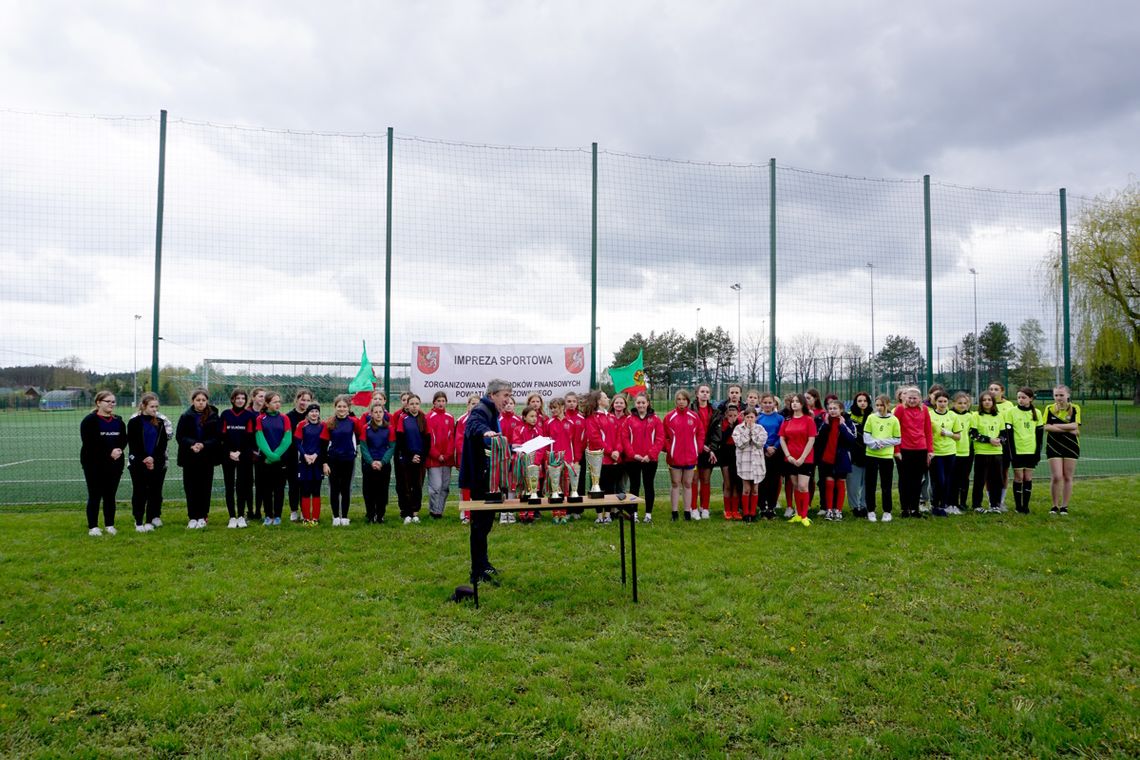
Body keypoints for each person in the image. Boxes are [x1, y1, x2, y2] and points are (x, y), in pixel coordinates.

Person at [459, 379, 513, 586]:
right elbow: (473, 426)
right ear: (493, 395)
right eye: (505, 395)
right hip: (480, 478)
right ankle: (477, 570)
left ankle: (484, 563)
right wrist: (485, 432)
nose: (508, 400)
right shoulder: (481, 409)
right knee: (480, 525)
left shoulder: (493, 411)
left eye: (509, 395)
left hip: (490, 477)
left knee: (486, 524)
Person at [80, 390, 126, 536]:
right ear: (98, 403)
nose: (111, 404)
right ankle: (93, 527)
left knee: (110, 495)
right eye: (108, 401)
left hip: (114, 464)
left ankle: (109, 525)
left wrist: (118, 449)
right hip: (94, 464)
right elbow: (90, 443)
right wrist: (108, 452)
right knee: (95, 495)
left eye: (113, 402)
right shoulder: (89, 420)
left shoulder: (118, 420)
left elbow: (123, 439)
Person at [176, 388, 220, 530]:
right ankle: (192, 517)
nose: (201, 403)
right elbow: (180, 436)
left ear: (207, 401)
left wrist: (203, 445)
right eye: (198, 400)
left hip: (206, 457)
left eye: (203, 400)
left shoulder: (213, 416)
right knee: (191, 488)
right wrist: (192, 444)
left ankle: (202, 516)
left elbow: (216, 437)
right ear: (193, 401)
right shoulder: (185, 416)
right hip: (190, 458)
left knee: (204, 488)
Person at [127, 392, 168, 532]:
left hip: (155, 463)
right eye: (152, 406)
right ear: (143, 406)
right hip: (139, 463)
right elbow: (133, 444)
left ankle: (150, 521)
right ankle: (138, 522)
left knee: (154, 492)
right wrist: (144, 458)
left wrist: (153, 459)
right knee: (139, 492)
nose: (155, 409)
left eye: (156, 406)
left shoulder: (161, 423)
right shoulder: (134, 422)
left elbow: (162, 445)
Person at [622, 392, 663, 523]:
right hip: (633, 460)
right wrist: (634, 455)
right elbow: (625, 439)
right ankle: (633, 514)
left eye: (643, 402)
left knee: (648, 486)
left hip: (650, 460)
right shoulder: (629, 419)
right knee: (634, 486)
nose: (641, 405)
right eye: (638, 403)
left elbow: (660, 439)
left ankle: (648, 514)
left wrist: (650, 455)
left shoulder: (656, 419)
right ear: (635, 404)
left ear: (648, 403)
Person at [893, 387, 933, 519]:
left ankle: (915, 509)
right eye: (909, 397)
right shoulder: (900, 409)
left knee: (917, 480)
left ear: (920, 399)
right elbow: (894, 429)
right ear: (904, 398)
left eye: (914, 398)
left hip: (920, 449)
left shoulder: (925, 410)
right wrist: (896, 450)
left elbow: (928, 430)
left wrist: (930, 450)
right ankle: (905, 508)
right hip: (904, 449)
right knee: (904, 480)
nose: (911, 400)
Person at [815, 397, 857, 521]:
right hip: (827, 457)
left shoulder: (847, 422)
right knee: (829, 483)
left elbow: (852, 439)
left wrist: (842, 426)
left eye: (835, 409)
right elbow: (819, 439)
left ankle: (838, 510)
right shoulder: (825, 422)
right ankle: (829, 510)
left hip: (842, 457)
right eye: (830, 409)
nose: (832, 411)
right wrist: (826, 426)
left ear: (841, 410)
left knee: (840, 483)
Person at [255, 391, 293, 525]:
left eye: (279, 402)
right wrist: (269, 456)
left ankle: (277, 516)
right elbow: (260, 439)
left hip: (280, 459)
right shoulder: (260, 419)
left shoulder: (284, 418)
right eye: (274, 402)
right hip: (265, 460)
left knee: (279, 489)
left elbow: (287, 439)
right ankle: (268, 515)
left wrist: (276, 456)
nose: (278, 404)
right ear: (267, 404)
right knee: (266, 489)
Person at [219, 387, 256, 528]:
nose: (240, 401)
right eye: (237, 398)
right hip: (228, 456)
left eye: (243, 398)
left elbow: (251, 438)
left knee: (242, 486)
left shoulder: (249, 416)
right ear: (233, 399)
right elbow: (221, 437)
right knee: (229, 486)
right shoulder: (226, 414)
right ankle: (232, 517)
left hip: (244, 456)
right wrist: (229, 452)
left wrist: (240, 451)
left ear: (246, 400)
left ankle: (241, 515)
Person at [779, 394, 817, 526]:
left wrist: (802, 458)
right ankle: (798, 514)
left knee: (803, 486)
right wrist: (788, 456)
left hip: (805, 459)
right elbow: (782, 438)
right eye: (793, 402)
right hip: (790, 459)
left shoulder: (808, 420)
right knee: (795, 486)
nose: (794, 404)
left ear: (802, 404)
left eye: (797, 401)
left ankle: (804, 515)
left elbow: (811, 439)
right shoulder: (787, 420)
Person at [583, 389, 619, 523]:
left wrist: (617, 451)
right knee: (597, 486)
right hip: (598, 459)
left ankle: (607, 515)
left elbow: (618, 436)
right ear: (599, 401)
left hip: (612, 458)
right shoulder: (592, 418)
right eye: (605, 397)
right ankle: (599, 515)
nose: (608, 399)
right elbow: (595, 438)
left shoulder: (612, 417)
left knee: (610, 486)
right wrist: (610, 451)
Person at [863, 394, 901, 523]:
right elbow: (866, 437)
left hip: (886, 457)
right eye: (877, 405)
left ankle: (887, 511)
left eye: (881, 405)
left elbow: (897, 439)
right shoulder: (871, 418)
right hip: (871, 455)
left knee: (886, 484)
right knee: (870, 484)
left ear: (888, 405)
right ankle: (871, 510)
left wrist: (883, 442)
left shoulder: (894, 420)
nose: (879, 408)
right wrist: (874, 444)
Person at [664, 389, 701, 521]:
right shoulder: (669, 417)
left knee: (687, 483)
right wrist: (670, 450)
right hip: (674, 458)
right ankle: (674, 513)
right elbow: (664, 437)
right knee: (675, 483)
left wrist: (697, 449)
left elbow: (700, 434)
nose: (681, 402)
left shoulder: (694, 416)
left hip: (691, 457)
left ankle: (687, 512)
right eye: (679, 399)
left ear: (688, 401)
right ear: (675, 401)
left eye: (684, 399)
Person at [1043, 385, 1080, 515]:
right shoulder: (1049, 408)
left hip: (1071, 445)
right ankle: (1054, 506)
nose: (1058, 398)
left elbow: (1075, 425)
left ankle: (1064, 506)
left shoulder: (1075, 408)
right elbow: (1046, 427)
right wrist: (1068, 429)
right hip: (1053, 445)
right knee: (1057, 476)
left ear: (1068, 395)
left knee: (1068, 477)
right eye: (1056, 395)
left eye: (1061, 395)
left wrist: (1056, 425)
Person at [970, 391, 1008, 514]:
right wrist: (988, 440)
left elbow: (1003, 434)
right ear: (981, 402)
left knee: (996, 480)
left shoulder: (999, 416)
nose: (987, 402)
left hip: (997, 453)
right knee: (980, 480)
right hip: (981, 453)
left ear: (993, 402)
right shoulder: (976, 416)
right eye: (984, 400)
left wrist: (999, 440)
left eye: (989, 400)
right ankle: (977, 505)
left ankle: (995, 505)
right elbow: (973, 434)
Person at [1007, 387, 1044, 514]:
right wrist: (1012, 452)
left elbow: (1039, 436)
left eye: (1023, 397)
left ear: (1031, 399)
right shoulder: (1011, 412)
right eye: (1019, 397)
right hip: (1017, 451)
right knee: (1018, 478)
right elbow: (1009, 435)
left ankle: (1026, 507)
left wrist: (1038, 452)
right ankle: (1018, 507)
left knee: (1028, 478)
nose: (1020, 400)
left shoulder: (1037, 413)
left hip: (1031, 451)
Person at [927, 390, 964, 517]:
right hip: (936, 453)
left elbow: (958, 436)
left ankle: (943, 505)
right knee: (939, 480)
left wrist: (949, 434)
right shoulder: (930, 415)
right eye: (939, 401)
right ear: (935, 402)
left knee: (948, 480)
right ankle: (935, 505)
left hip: (950, 452)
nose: (942, 404)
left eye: (945, 401)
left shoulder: (953, 416)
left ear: (948, 402)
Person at [324, 394, 358, 525]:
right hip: (333, 460)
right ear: (335, 407)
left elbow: (359, 436)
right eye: (339, 406)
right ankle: (335, 517)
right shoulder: (329, 423)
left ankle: (344, 516)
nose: (342, 409)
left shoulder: (353, 422)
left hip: (348, 459)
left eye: (344, 406)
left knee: (345, 488)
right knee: (334, 488)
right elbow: (324, 444)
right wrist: (325, 462)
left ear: (348, 408)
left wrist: (352, 450)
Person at [395, 393, 428, 524]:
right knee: (406, 486)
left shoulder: (423, 418)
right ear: (407, 406)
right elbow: (400, 440)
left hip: (420, 459)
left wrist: (421, 456)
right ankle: (407, 513)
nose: (414, 406)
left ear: (419, 405)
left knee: (418, 486)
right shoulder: (403, 418)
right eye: (412, 404)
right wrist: (410, 456)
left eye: (416, 404)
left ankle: (415, 512)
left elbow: (427, 440)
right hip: (407, 459)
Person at [359, 398, 393, 523]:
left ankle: (380, 515)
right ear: (371, 414)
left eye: (380, 412)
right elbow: (363, 447)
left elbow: (391, 447)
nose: (378, 414)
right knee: (368, 491)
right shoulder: (365, 428)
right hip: (369, 464)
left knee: (382, 490)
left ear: (384, 413)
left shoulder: (389, 428)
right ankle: (370, 514)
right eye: (376, 412)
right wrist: (371, 461)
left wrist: (382, 462)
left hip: (384, 465)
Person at [424, 391, 456, 520]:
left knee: (444, 487)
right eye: (438, 401)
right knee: (436, 486)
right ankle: (433, 510)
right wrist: (437, 455)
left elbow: (452, 438)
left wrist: (448, 454)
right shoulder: (428, 417)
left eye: (443, 401)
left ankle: (439, 511)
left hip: (447, 459)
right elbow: (428, 440)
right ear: (434, 402)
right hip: (434, 459)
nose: (441, 403)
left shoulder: (450, 417)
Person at [294, 402, 327, 525]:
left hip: (317, 461)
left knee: (316, 489)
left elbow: (323, 444)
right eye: (312, 412)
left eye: (316, 411)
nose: (314, 414)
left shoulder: (323, 425)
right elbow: (297, 442)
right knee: (305, 489)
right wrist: (305, 455)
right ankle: (306, 518)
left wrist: (315, 455)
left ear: (319, 413)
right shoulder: (302, 425)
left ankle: (316, 518)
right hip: (305, 461)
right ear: (307, 413)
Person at [512, 405, 546, 522]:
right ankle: (522, 514)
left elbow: (541, 449)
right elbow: (518, 445)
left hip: (535, 465)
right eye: (531, 416)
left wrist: (536, 462)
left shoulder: (539, 430)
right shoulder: (518, 429)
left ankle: (531, 514)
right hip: (522, 463)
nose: (534, 419)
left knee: (533, 488)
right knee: (522, 487)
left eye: (535, 416)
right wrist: (524, 459)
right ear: (524, 417)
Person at [732, 406, 766, 522]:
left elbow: (759, 444)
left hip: (757, 463)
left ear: (756, 418)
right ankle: (746, 513)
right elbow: (740, 444)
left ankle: (753, 512)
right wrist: (747, 431)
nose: (750, 419)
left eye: (752, 417)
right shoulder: (738, 429)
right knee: (746, 489)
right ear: (744, 417)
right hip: (744, 463)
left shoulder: (760, 429)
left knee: (755, 489)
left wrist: (753, 431)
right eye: (747, 417)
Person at [286, 388, 314, 522]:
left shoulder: (312, 416)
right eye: (303, 399)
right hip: (292, 455)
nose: (305, 403)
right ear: (297, 400)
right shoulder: (288, 417)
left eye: (308, 400)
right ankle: (293, 510)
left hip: (307, 457)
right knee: (293, 484)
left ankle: (304, 510)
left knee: (305, 484)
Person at [757, 393, 784, 520]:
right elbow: (756, 435)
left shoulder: (780, 418)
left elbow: (782, 434)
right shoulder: (758, 418)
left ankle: (772, 507)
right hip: (762, 452)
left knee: (774, 480)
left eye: (770, 402)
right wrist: (766, 447)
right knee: (763, 480)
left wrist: (774, 447)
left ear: (774, 404)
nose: (768, 405)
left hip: (776, 452)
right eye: (765, 402)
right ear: (761, 404)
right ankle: (763, 507)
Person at [988, 381, 1015, 509]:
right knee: (989, 474)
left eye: (996, 389)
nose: (993, 391)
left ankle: (1001, 501)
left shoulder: (1009, 405)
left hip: (1004, 443)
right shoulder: (986, 404)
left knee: (1003, 472)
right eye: (991, 389)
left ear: (1002, 391)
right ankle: (990, 501)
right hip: (988, 443)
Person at [454, 395, 480, 524]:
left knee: (478, 487)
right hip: (466, 459)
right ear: (468, 405)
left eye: (477, 404)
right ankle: (466, 514)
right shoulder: (462, 420)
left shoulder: (483, 420)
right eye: (473, 403)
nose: (475, 406)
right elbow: (459, 441)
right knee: (466, 487)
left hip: (479, 459)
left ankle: (477, 512)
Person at [692, 384, 716, 520]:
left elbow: (717, 433)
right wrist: (699, 445)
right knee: (694, 480)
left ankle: (705, 508)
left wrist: (710, 447)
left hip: (708, 450)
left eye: (707, 392)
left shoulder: (714, 411)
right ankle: (693, 508)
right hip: (694, 450)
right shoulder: (691, 410)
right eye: (702, 391)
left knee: (705, 480)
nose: (705, 394)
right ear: (697, 394)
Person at [846, 392, 872, 517]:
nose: (862, 403)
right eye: (859, 401)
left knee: (868, 482)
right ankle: (855, 507)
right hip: (854, 454)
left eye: (865, 401)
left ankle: (865, 506)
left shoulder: (873, 416)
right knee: (853, 483)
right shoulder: (848, 416)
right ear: (855, 402)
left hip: (870, 453)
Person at [950, 392, 975, 514]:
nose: (962, 405)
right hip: (953, 451)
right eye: (959, 403)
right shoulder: (950, 415)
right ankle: (953, 502)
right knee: (953, 478)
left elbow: (973, 433)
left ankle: (963, 503)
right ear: (954, 403)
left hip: (967, 451)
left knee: (964, 478)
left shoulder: (970, 416)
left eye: (965, 403)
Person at [715, 403, 742, 520]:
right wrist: (730, 426)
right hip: (725, 455)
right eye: (730, 415)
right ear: (726, 415)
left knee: (736, 484)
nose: (732, 417)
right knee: (728, 484)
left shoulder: (741, 424)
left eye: (735, 415)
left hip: (737, 455)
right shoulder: (723, 425)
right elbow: (722, 439)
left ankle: (735, 510)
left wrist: (735, 425)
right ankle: (727, 510)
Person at [247, 387, 268, 523]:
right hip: (248, 453)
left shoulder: (267, 413)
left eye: (264, 397)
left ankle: (259, 511)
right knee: (248, 482)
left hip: (262, 453)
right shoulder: (247, 413)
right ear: (253, 397)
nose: (262, 399)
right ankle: (249, 511)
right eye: (260, 396)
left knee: (261, 483)